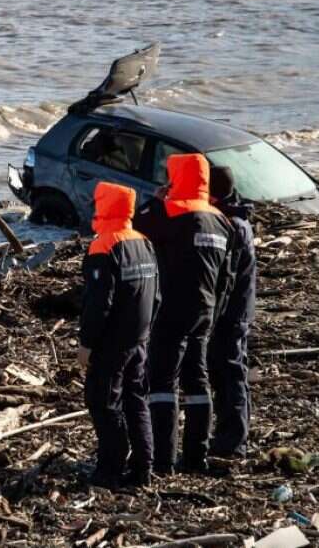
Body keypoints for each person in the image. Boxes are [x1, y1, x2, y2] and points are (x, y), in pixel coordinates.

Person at [133, 153, 233, 475]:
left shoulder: (170, 210)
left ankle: (163, 460)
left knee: (162, 382)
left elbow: (135, 227)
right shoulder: (221, 221)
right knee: (197, 381)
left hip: (171, 307)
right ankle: (195, 458)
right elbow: (228, 277)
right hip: (205, 310)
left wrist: (157, 199)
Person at [78, 182, 161, 489]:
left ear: (105, 206)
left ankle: (111, 468)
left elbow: (99, 303)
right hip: (139, 338)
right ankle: (143, 467)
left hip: (112, 342)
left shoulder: (104, 245)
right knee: (136, 400)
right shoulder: (143, 242)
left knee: (103, 401)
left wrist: (87, 343)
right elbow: (156, 296)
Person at [207, 166, 256, 458]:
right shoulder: (238, 219)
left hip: (232, 311)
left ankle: (233, 440)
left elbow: (225, 277)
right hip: (237, 308)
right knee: (231, 370)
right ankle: (233, 436)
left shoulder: (232, 225)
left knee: (229, 372)